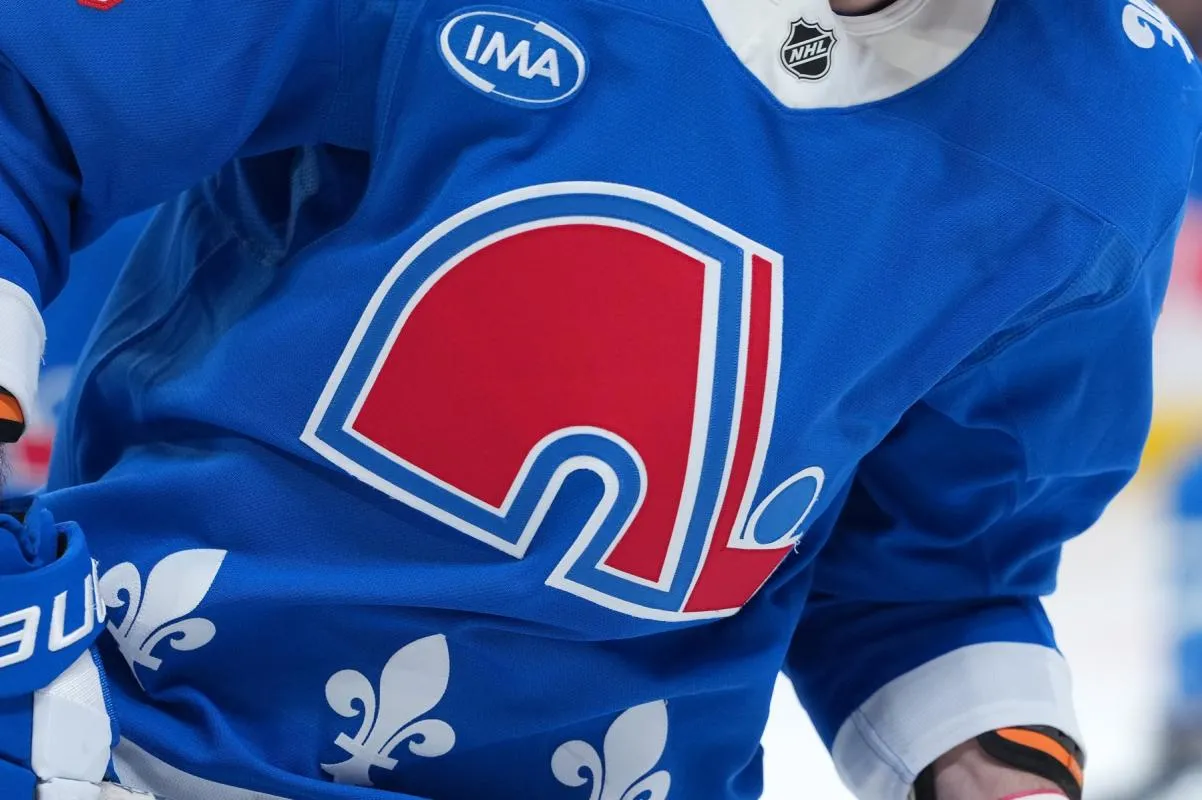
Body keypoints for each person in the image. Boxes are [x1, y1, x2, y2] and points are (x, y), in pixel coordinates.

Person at [0, 1, 1197, 798]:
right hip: (130, 732)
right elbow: (32, 109)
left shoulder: (1111, 118)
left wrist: (983, 758)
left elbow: (935, 573)